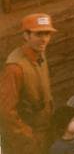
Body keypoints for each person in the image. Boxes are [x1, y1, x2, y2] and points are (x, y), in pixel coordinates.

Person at [0, 13, 57, 154]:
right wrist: (28, 138)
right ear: (26, 35)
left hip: (45, 132)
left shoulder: (41, 54)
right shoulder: (15, 68)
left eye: (47, 34)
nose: (44, 39)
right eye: (38, 35)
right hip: (26, 143)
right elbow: (6, 112)